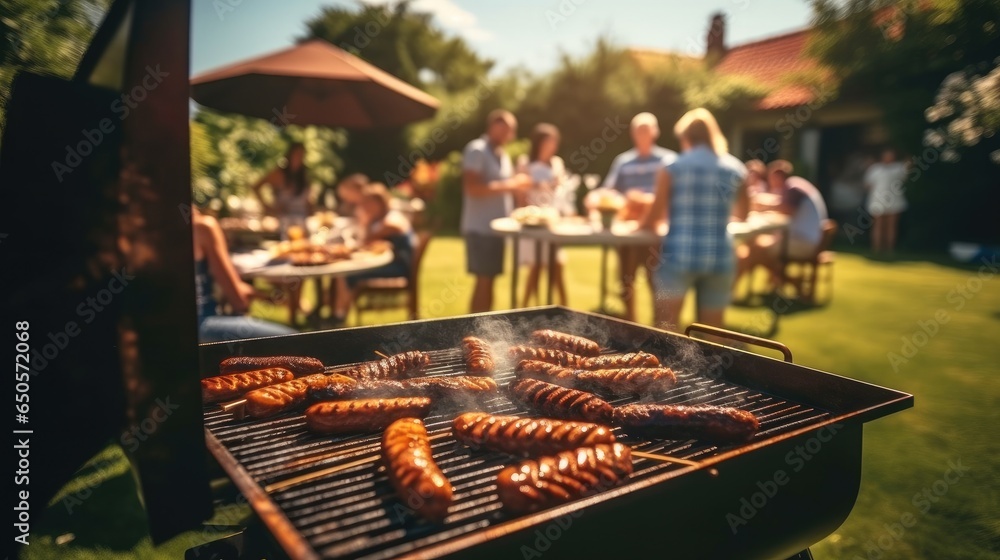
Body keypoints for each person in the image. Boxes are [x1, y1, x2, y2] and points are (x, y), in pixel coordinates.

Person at [639, 108, 748, 332]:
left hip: (679, 256)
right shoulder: (736, 168)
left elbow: (654, 216)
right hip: (720, 257)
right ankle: (712, 368)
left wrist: (639, 225)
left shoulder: (672, 168)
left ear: (686, 138)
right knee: (713, 335)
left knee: (665, 330)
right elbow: (744, 214)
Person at [585, 112, 677, 322]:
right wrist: (595, 197)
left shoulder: (668, 160)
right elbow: (610, 191)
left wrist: (647, 200)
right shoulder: (623, 161)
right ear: (632, 133)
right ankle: (630, 322)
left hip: (655, 232)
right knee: (626, 281)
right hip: (628, 233)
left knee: (658, 281)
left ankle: (659, 327)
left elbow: (674, 194)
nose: (641, 134)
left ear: (655, 132)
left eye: (646, 129)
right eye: (638, 130)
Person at [461, 109, 532, 313]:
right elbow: (471, 188)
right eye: (506, 129)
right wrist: (511, 184)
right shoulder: (477, 150)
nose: (509, 135)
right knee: (483, 280)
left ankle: (482, 329)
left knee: (490, 280)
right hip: (480, 228)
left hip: (496, 230)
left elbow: (508, 187)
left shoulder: (502, 155)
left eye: (512, 131)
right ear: (493, 126)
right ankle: (473, 331)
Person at [192, 208, 296, 342]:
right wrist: (269, 297)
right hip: (204, 323)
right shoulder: (203, 227)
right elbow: (239, 301)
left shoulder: (158, 230)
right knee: (296, 340)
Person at [331, 183, 415, 323]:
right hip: (392, 263)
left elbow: (366, 240)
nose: (365, 207)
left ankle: (339, 316)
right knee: (344, 272)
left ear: (379, 203)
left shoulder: (391, 221)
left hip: (398, 268)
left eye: (368, 203)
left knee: (347, 274)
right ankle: (338, 313)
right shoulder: (384, 218)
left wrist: (367, 221)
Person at [736, 160, 829, 285]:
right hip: (808, 240)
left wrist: (762, 207)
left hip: (803, 243)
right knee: (757, 247)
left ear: (777, 176)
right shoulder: (796, 185)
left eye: (771, 178)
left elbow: (786, 210)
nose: (770, 182)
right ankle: (785, 281)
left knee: (756, 249)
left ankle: (787, 281)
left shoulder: (793, 188)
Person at [517, 123, 570, 307]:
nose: (552, 146)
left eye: (554, 142)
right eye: (549, 142)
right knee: (535, 266)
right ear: (539, 143)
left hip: (551, 220)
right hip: (532, 220)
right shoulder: (525, 162)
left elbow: (562, 191)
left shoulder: (557, 163)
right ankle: (525, 306)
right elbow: (520, 190)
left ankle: (564, 306)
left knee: (557, 264)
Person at [251, 142, 313, 239]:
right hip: (283, 224)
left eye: (301, 155)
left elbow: (306, 199)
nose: (298, 157)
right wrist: (266, 207)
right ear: (289, 155)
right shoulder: (279, 174)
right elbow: (256, 186)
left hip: (302, 223)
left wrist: (311, 208)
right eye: (296, 154)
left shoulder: (304, 175)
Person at [864, 147, 908, 255]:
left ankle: (889, 249)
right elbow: (868, 184)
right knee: (877, 225)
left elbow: (906, 173)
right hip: (877, 201)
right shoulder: (875, 169)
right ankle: (876, 248)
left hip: (895, 201)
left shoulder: (898, 168)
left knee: (891, 226)